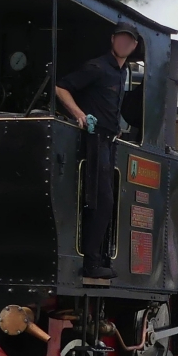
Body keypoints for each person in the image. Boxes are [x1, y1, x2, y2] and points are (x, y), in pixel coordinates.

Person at [54, 22, 141, 279]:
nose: (124, 44)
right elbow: (61, 87)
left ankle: (98, 257)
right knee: (100, 201)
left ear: (134, 46)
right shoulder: (97, 67)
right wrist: (81, 115)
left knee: (106, 201)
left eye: (129, 41)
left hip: (109, 139)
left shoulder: (122, 73)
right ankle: (91, 263)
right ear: (113, 40)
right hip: (93, 140)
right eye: (121, 39)